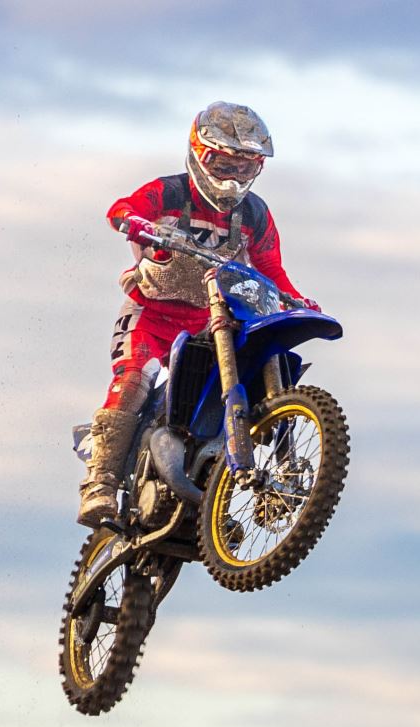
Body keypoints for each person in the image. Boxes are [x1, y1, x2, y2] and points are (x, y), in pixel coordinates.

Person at [77, 101, 318, 527]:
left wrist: (296, 299)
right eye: (223, 164)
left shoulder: (254, 214)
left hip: (210, 322)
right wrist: (135, 223)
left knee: (260, 357)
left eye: (245, 169)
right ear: (198, 153)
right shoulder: (170, 192)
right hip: (151, 314)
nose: (233, 178)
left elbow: (271, 269)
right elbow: (121, 209)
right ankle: (100, 484)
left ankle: (269, 481)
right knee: (136, 374)